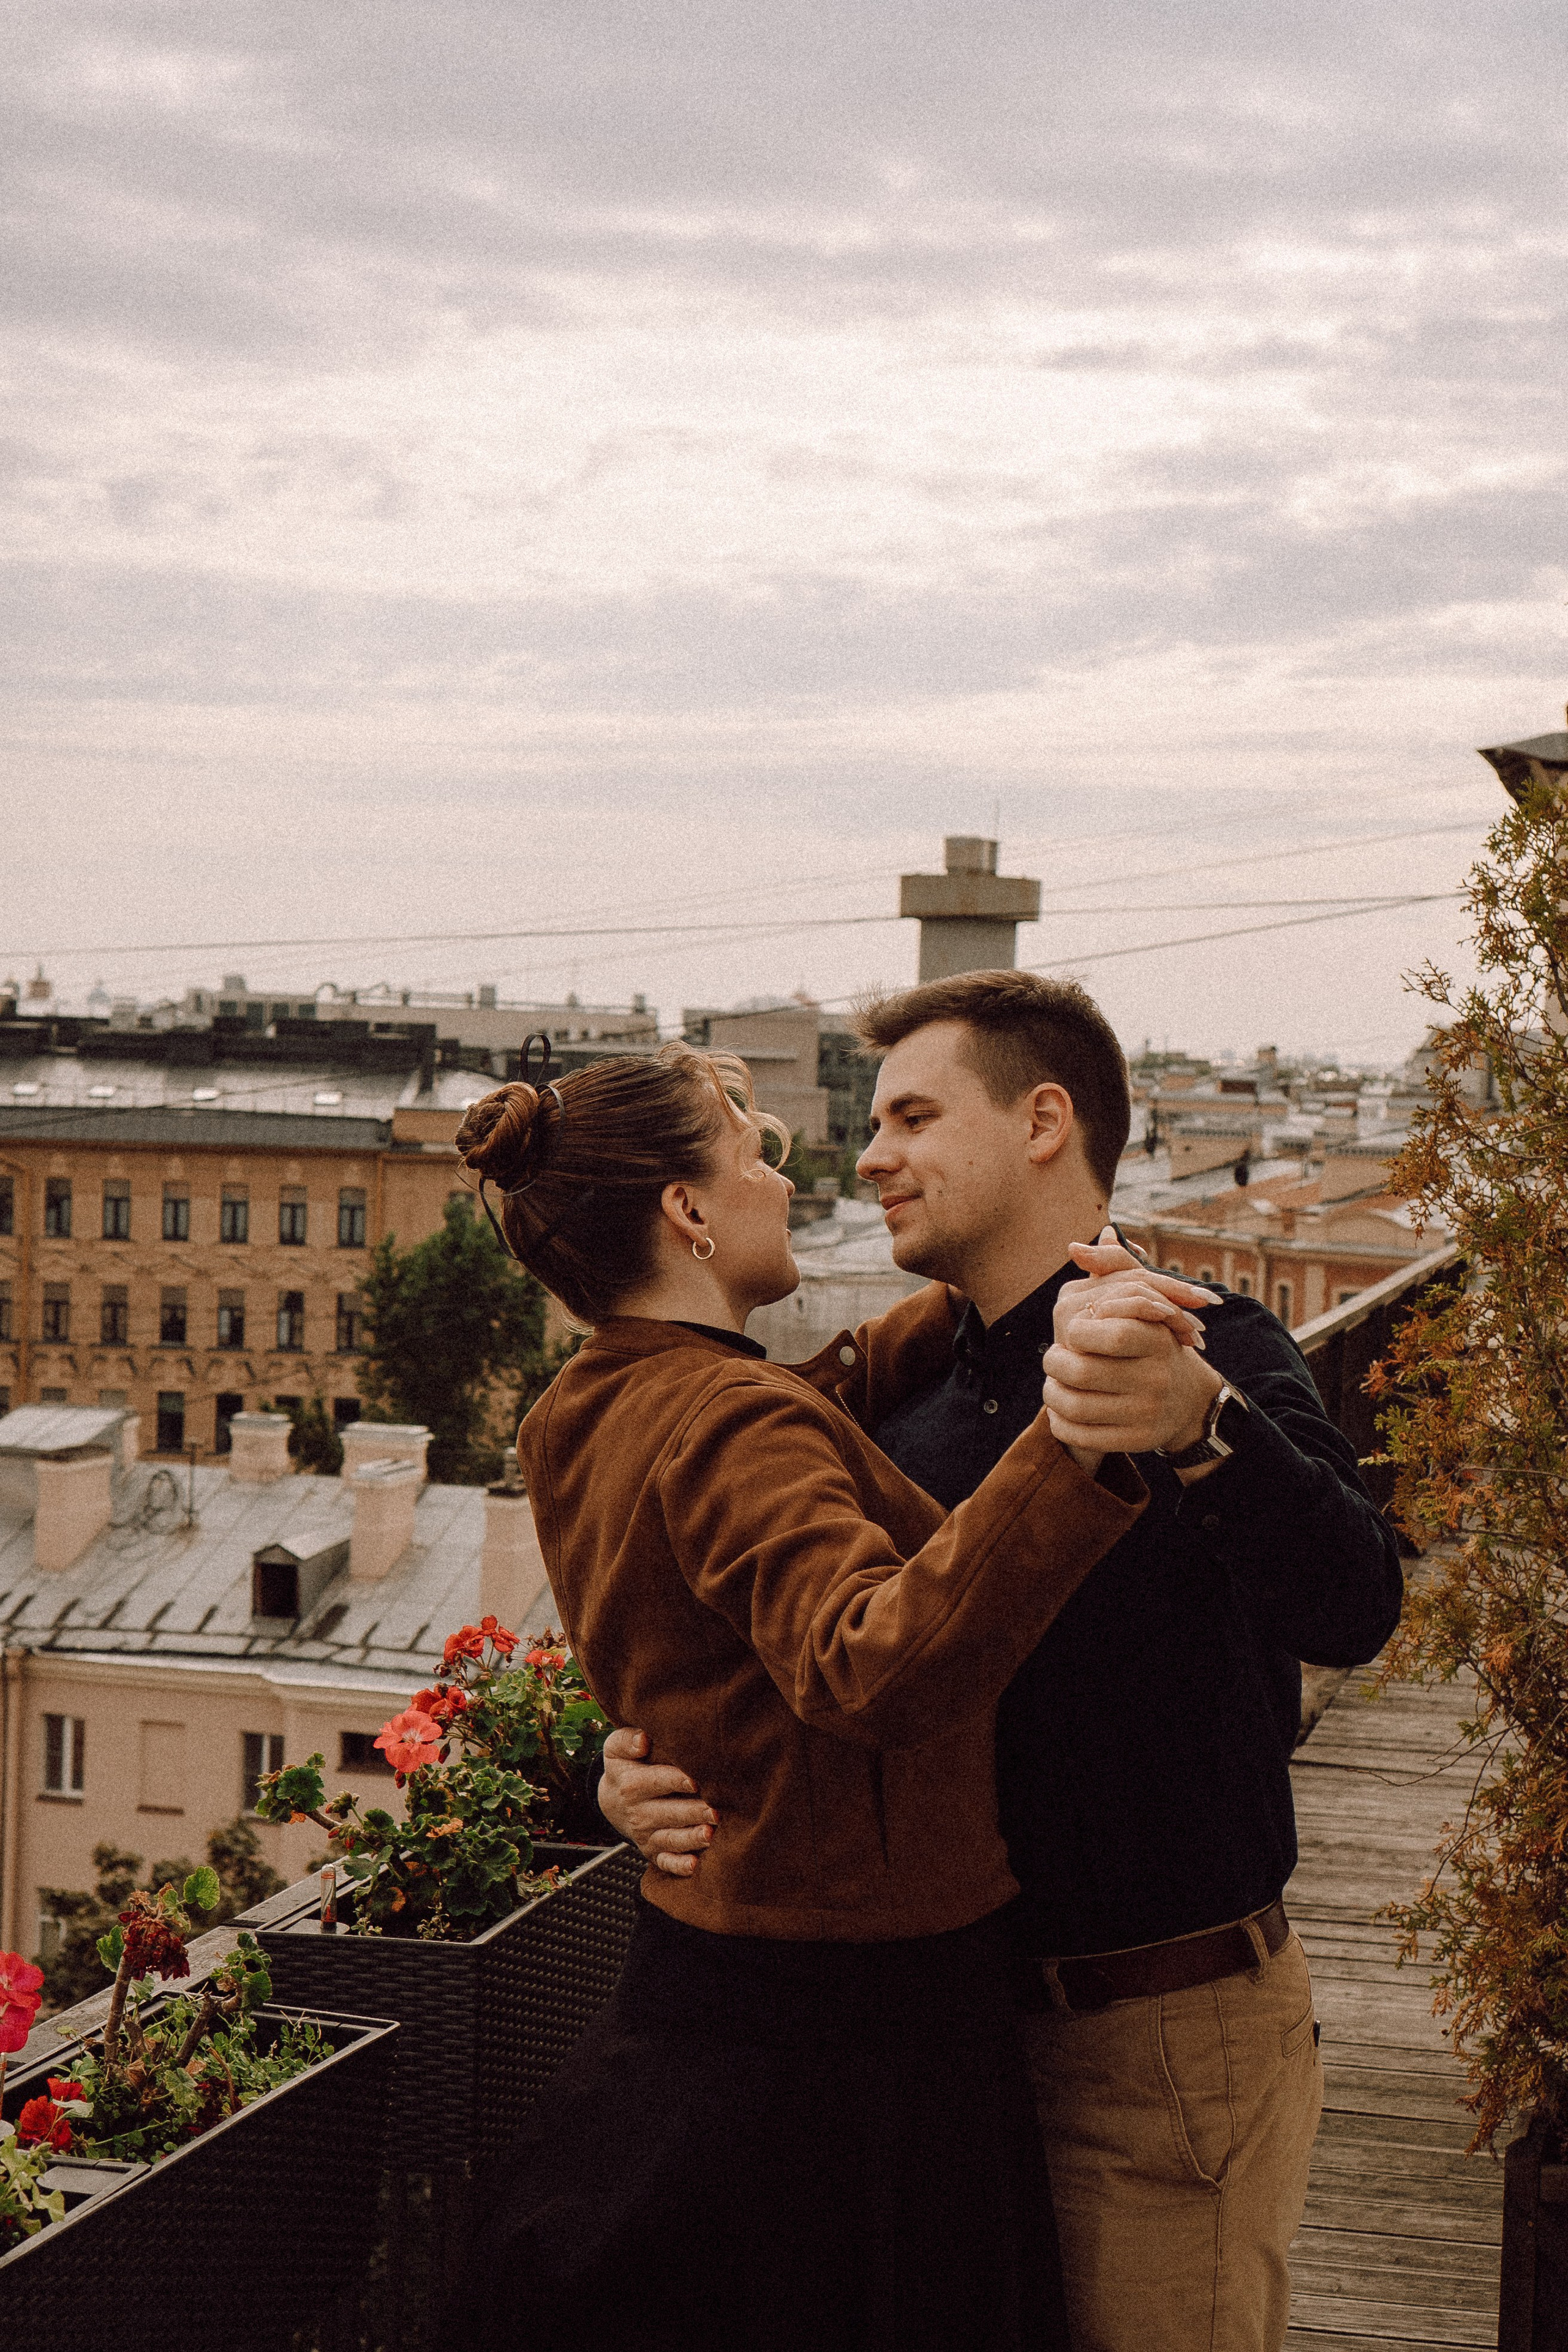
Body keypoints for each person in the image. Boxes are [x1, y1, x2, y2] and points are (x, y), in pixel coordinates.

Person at [599, 972, 1405, 2352]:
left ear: (1042, 1122)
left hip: (1152, 2048)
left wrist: (1203, 1429)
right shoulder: (912, 1387)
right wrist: (614, 1773)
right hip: (930, 2058)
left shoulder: (1198, 1340)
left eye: (911, 1116)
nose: (866, 1156)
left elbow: (1355, 1603)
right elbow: (778, 1643)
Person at [452, 1039, 1203, 2352]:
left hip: (698, 1998)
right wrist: (1070, 1432)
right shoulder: (732, 1424)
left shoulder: (584, 1403)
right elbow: (871, 1657)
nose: (786, 1184)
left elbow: (796, 1412)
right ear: (687, 1210)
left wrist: (976, 1293)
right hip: (851, 2048)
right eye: (757, 1156)